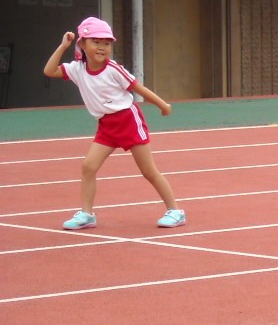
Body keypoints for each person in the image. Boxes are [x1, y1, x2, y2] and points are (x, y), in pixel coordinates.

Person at [42, 17, 185, 230]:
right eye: (96, 42)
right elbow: (49, 71)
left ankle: (175, 211)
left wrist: (162, 105)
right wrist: (63, 46)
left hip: (128, 119)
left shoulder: (113, 69)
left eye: (107, 43)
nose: (102, 47)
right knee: (88, 166)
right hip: (106, 125)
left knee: (148, 170)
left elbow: (139, 89)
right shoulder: (77, 69)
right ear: (82, 44)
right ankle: (87, 214)